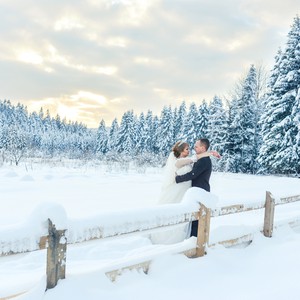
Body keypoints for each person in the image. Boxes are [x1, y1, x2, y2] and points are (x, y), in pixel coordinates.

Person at [158, 140, 218, 205]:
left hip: (195, 189)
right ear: (181, 150)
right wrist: (210, 153)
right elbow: (194, 159)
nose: (190, 150)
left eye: (196, 147)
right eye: (187, 149)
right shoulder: (179, 161)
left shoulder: (201, 160)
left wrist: (210, 153)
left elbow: (193, 173)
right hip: (180, 188)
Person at [175, 138, 213, 237]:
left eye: (196, 146)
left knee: (198, 220)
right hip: (197, 191)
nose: (194, 148)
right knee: (196, 218)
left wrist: (178, 179)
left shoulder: (204, 161)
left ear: (203, 148)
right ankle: (194, 240)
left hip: (201, 191)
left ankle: (195, 241)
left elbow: (193, 174)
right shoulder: (202, 158)